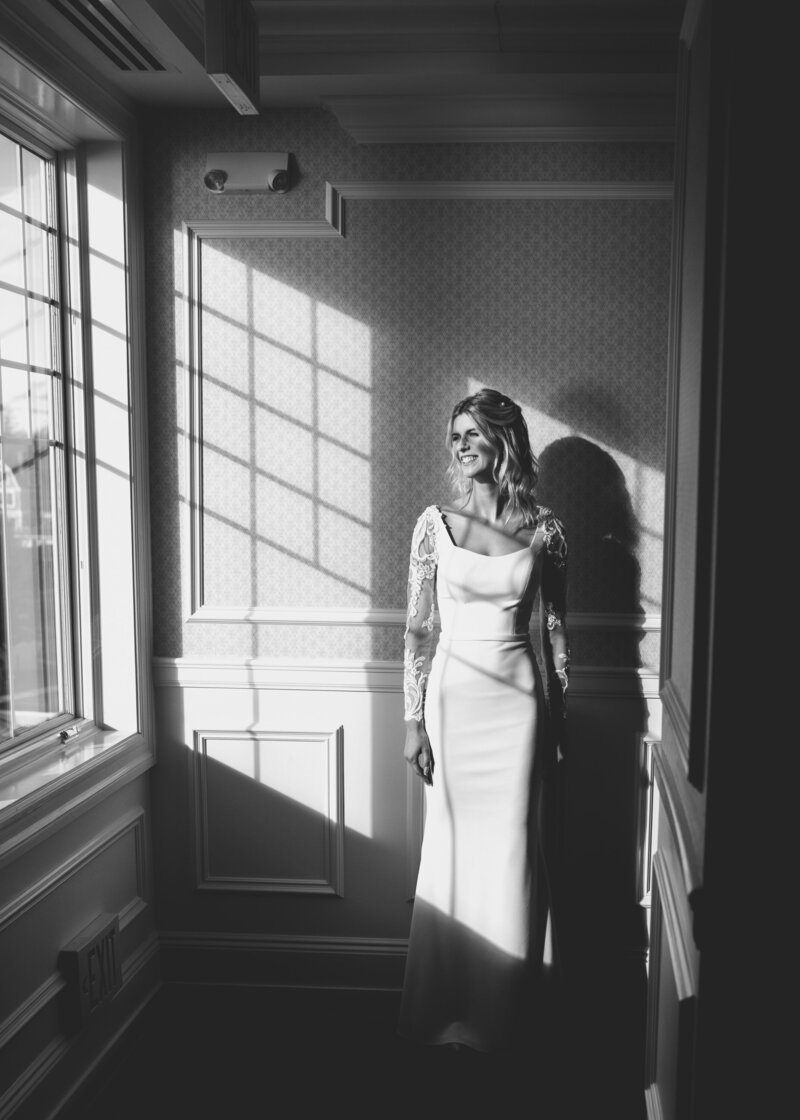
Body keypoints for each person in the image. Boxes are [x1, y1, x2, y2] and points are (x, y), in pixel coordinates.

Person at [397, 387, 570, 1056]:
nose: (459, 445)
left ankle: (510, 1014)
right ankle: (447, 1014)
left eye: (472, 433)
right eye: (454, 435)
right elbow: (418, 632)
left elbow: (556, 631)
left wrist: (562, 719)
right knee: (452, 854)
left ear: (504, 440)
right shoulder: (432, 524)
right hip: (452, 697)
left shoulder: (546, 528)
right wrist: (412, 723)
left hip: (519, 708)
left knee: (511, 855)